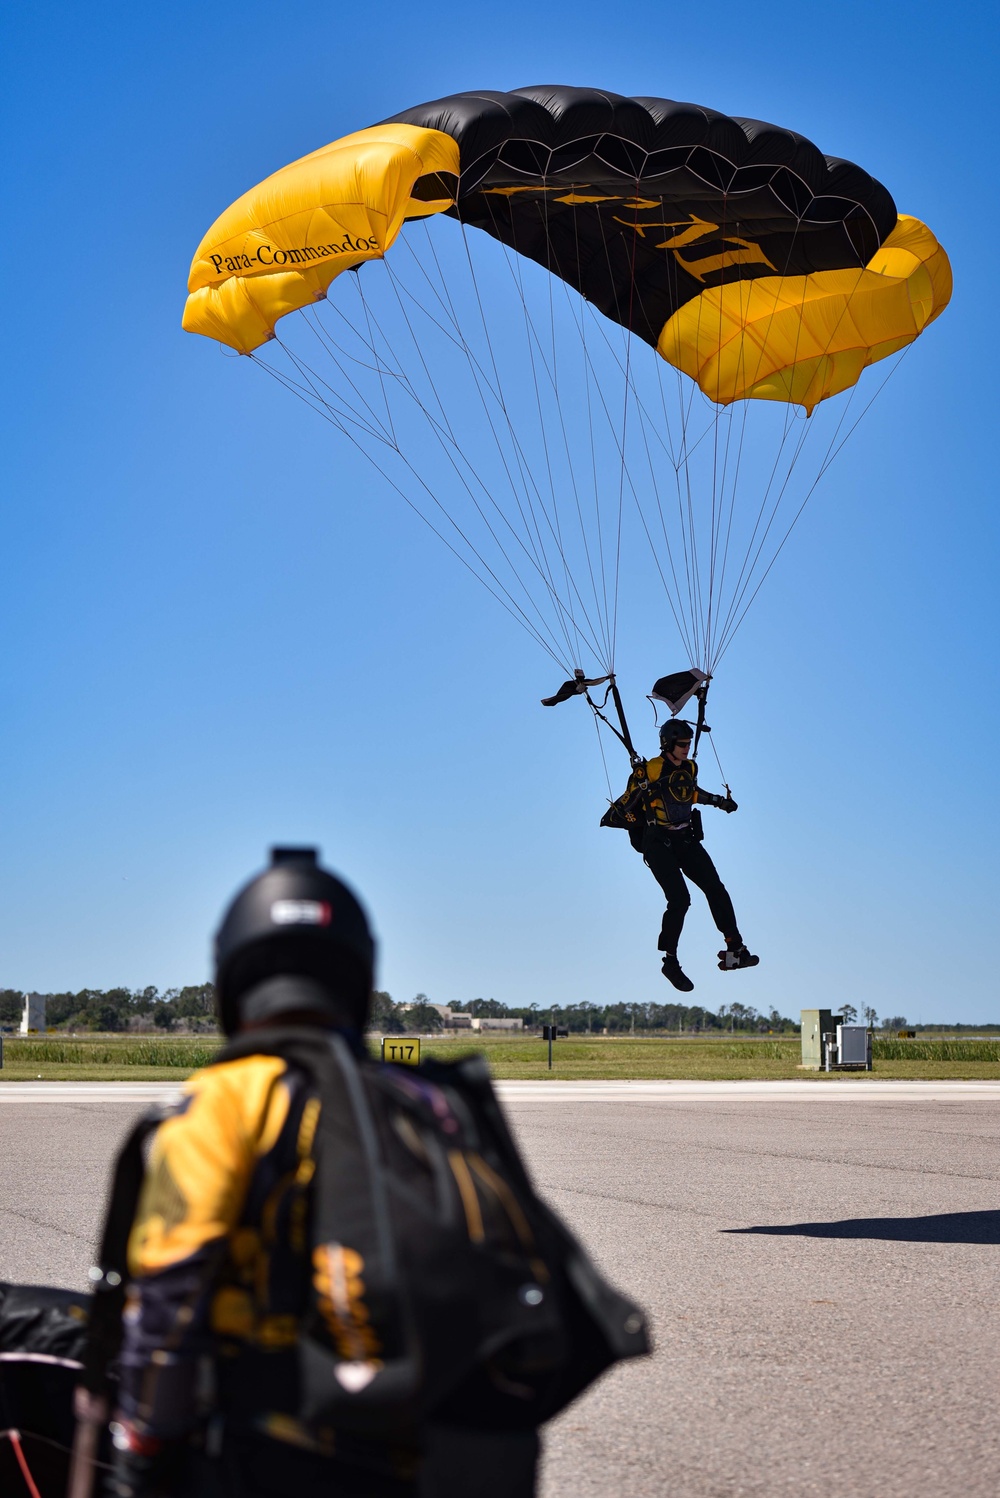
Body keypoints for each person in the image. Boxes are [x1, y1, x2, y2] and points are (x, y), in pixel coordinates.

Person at [603, 720, 758, 992]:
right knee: (680, 899)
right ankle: (670, 962)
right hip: (657, 842)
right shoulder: (649, 769)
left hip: (685, 839)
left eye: (688, 744)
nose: (687, 749)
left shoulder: (690, 767)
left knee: (715, 888)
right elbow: (625, 805)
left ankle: (735, 948)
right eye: (682, 744)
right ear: (668, 744)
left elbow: (690, 794)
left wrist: (720, 802)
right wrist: (640, 789)